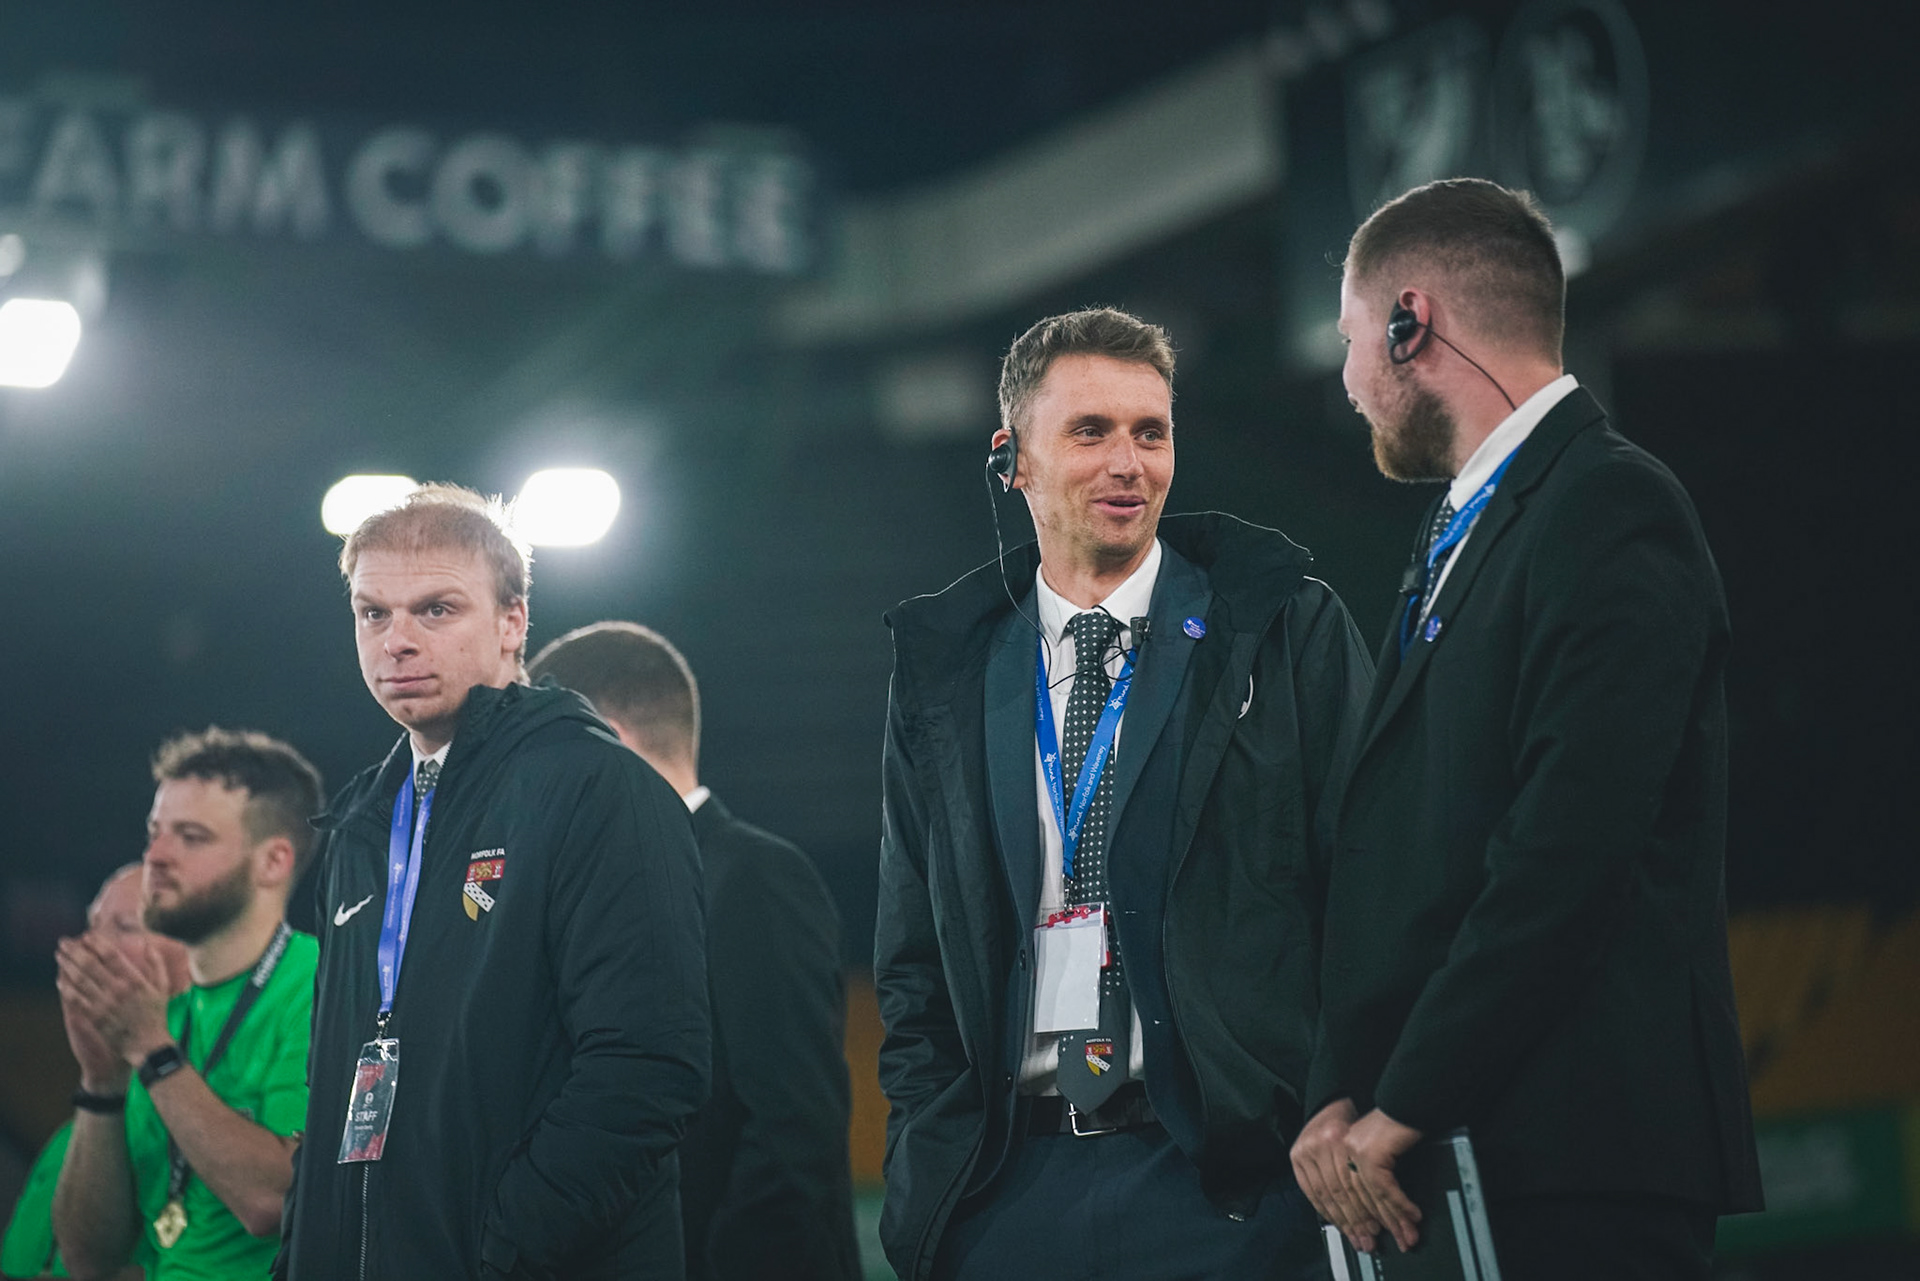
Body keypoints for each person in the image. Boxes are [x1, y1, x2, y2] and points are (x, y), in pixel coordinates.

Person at [1291, 178, 1764, 1278]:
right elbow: (1404, 855)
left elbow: (1566, 853)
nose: (1349, 381)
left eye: (1353, 339)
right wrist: (1339, 1092)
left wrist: (1407, 1099)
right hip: (1453, 1154)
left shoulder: (1610, 505)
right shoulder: (1464, 527)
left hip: (1577, 1160)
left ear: (1411, 322)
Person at [873, 307, 1373, 1281]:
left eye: (1151, 432)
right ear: (1013, 460)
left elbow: (1371, 889)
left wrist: (1337, 1103)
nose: (1128, 463)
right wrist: (930, 1172)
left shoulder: (1281, 630)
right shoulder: (945, 674)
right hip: (1009, 1198)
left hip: (1230, 1189)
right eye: (1090, 431)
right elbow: (912, 961)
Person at [276, 484, 709, 1280]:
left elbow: (647, 1066)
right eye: (373, 613)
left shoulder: (599, 789)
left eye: (436, 610)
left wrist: (497, 1250)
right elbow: (331, 1088)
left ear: (513, 622)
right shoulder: (360, 827)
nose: (397, 641)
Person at [528, 621, 861, 1281]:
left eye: (543, 762)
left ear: (609, 746)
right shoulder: (596, 898)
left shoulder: (755, 878)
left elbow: (791, 1134)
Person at [51, 729, 323, 1281]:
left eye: (191, 837)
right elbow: (90, 1260)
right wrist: (102, 1084)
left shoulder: (320, 984)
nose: (155, 857)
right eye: (155, 833)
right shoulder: (161, 1011)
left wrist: (154, 1052)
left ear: (273, 862)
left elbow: (273, 1203)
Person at [3, 865, 189, 1281]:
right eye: (92, 925)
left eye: (125, 927)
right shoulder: (71, 1139)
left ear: (197, 957)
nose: (86, 946)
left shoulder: (212, 1125)